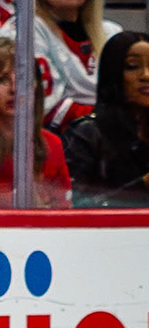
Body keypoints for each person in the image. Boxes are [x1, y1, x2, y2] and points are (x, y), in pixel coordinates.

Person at [0, 36, 73, 206]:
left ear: (36, 86)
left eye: (23, 79)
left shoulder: (52, 145)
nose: (14, 89)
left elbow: (66, 214)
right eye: (1, 80)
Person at [62, 28, 149, 204]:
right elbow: (77, 206)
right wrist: (142, 185)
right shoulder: (86, 134)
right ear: (113, 73)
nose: (146, 75)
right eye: (132, 66)